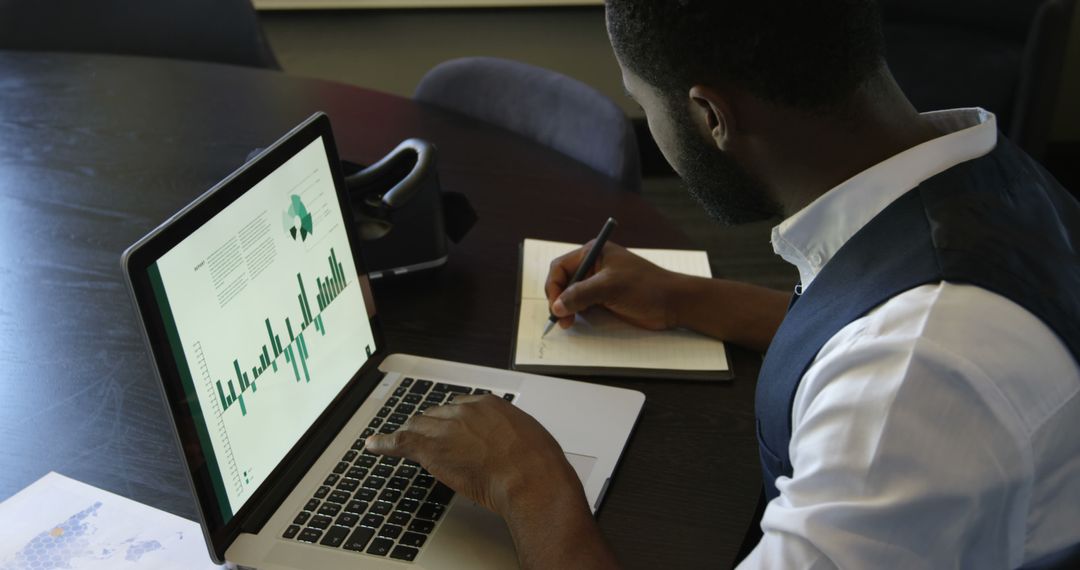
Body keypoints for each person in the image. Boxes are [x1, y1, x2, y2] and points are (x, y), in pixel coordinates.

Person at [366, 0, 1080, 567]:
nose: (651, 124)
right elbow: (871, 333)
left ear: (710, 115)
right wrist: (689, 298)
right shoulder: (979, 170)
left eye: (644, 105)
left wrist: (529, 488)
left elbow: (900, 363)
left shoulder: (912, 381)